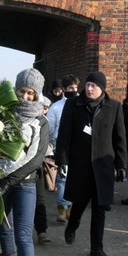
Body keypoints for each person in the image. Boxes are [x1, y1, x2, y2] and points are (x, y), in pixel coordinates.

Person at [55, 71, 126, 256]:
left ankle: (97, 248)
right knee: (79, 201)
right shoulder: (73, 105)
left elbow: (120, 138)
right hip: (80, 163)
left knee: (100, 207)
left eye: (94, 85)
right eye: (87, 85)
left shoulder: (114, 107)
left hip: (103, 165)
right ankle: (72, 225)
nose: (89, 88)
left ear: (102, 88)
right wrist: (61, 159)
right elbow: (64, 134)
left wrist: (121, 164)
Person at [0, 68, 49, 256]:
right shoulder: (2, 115)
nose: (26, 96)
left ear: (37, 94)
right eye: (22, 91)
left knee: (24, 234)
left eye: (31, 92)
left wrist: (9, 180)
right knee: (4, 227)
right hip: (0, 181)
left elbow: (36, 158)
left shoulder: (41, 121)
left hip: (26, 183)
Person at [47, 74, 80, 222]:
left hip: (78, 147)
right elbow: (51, 128)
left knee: (75, 179)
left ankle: (69, 206)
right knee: (62, 179)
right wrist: (54, 146)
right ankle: (62, 208)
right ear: (64, 89)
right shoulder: (56, 107)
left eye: (75, 87)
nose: (74, 90)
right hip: (62, 147)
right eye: (70, 88)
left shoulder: (81, 104)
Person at [34, 96, 53, 244]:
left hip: (38, 165)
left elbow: (48, 142)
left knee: (39, 198)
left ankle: (42, 231)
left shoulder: (44, 122)